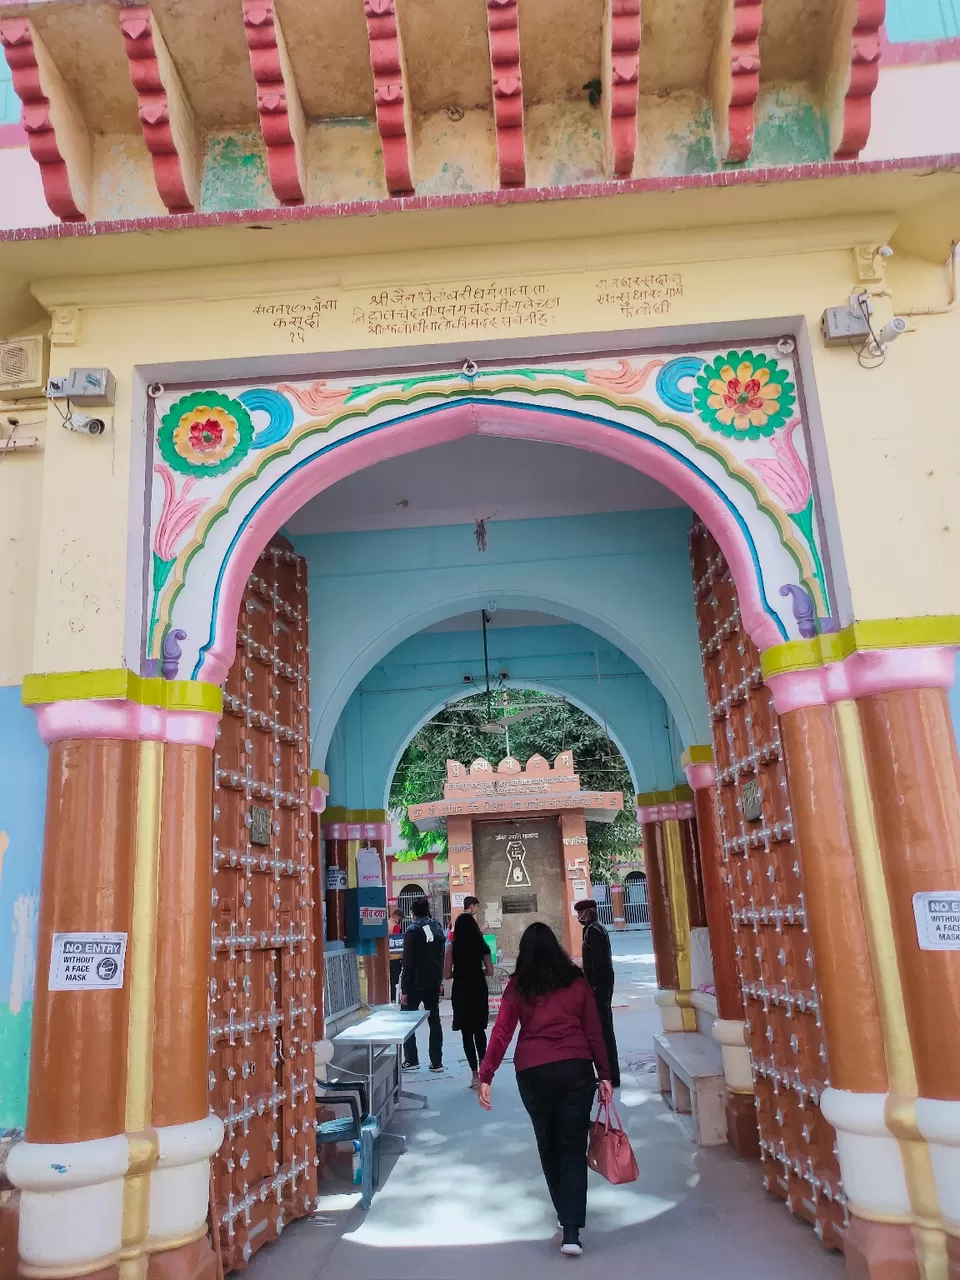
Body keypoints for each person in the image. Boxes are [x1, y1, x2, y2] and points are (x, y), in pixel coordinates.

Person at [478, 922, 613, 1258]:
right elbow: (594, 1031)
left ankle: (562, 1211)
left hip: (533, 1073)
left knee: (548, 1143)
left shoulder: (518, 985)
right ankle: (571, 1230)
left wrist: (486, 1074)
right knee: (571, 1147)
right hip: (575, 1071)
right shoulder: (576, 981)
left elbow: (502, 1032)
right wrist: (605, 1074)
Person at [444, 910, 494, 1088]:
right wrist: (476, 971)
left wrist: (460, 971)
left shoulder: (452, 946)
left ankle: (474, 1076)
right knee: (479, 1031)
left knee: (466, 1033)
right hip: (478, 989)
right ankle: (484, 1072)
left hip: (461, 990)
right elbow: (490, 971)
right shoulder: (481, 945)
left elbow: (447, 975)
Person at [575, 897, 620, 1089]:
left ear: (589, 912)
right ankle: (610, 1074)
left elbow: (598, 963)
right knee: (604, 1030)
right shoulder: (598, 928)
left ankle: (610, 1075)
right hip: (603, 986)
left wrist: (592, 987)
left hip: (599, 988)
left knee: (603, 1032)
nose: (579, 917)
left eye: (581, 913)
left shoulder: (593, 930)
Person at [399, 897, 446, 1072]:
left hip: (414, 983)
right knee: (434, 1020)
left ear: (412, 912)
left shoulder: (412, 931)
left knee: (407, 1020)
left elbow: (408, 962)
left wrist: (405, 988)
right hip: (433, 981)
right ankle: (436, 1062)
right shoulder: (437, 928)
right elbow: (440, 956)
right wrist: (439, 978)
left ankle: (412, 1060)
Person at [389, 908, 404, 1003]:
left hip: (388, 956)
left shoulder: (386, 923)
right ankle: (395, 998)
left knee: (391, 979)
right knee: (396, 979)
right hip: (396, 956)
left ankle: (392, 998)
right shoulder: (395, 926)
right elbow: (397, 942)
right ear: (397, 916)